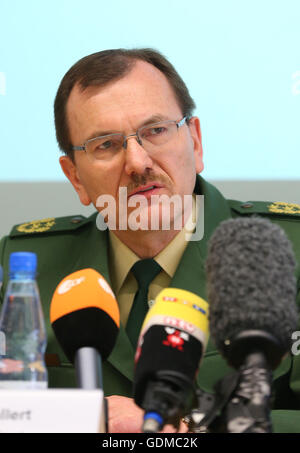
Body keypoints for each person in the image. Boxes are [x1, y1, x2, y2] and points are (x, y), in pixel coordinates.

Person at [0, 48, 300, 433]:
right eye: (105, 144)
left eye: (156, 131)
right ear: (75, 176)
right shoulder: (23, 267)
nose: (138, 162)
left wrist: (185, 428)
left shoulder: (288, 250)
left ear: (195, 142)